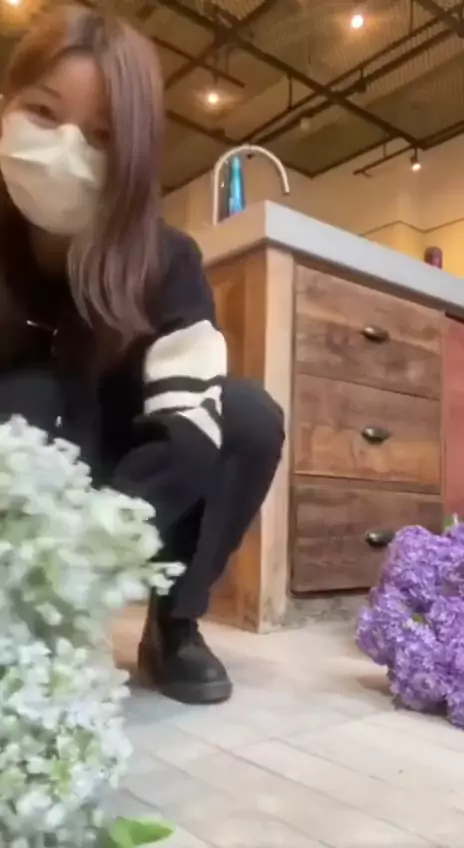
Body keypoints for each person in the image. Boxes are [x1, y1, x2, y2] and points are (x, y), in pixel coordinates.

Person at [0, 3, 284, 705]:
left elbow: (189, 420)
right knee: (31, 392)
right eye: (43, 112)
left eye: (101, 136)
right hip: (20, 471)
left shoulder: (166, 260)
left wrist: (101, 550)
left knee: (246, 415)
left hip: (119, 477)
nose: (64, 149)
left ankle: (175, 623)